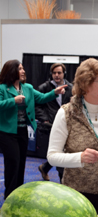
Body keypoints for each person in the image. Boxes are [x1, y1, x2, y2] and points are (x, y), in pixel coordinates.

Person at [47, 58, 98, 217]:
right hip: (76, 192)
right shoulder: (67, 113)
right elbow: (52, 156)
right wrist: (80, 158)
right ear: (86, 84)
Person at [0, 60, 67, 200]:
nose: (23, 71)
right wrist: (13, 101)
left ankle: (18, 193)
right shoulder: (2, 88)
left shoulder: (28, 88)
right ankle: (9, 195)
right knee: (13, 162)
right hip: (7, 133)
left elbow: (41, 98)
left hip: (23, 131)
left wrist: (55, 92)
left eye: (23, 68)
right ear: (12, 71)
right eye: (19, 68)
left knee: (21, 163)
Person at [36, 63, 73, 182]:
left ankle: (44, 168)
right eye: (54, 73)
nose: (56, 75)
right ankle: (63, 182)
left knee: (62, 152)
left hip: (66, 125)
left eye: (59, 73)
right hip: (49, 125)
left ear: (64, 74)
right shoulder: (44, 87)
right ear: (51, 74)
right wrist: (45, 119)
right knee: (58, 152)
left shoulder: (71, 88)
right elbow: (36, 106)